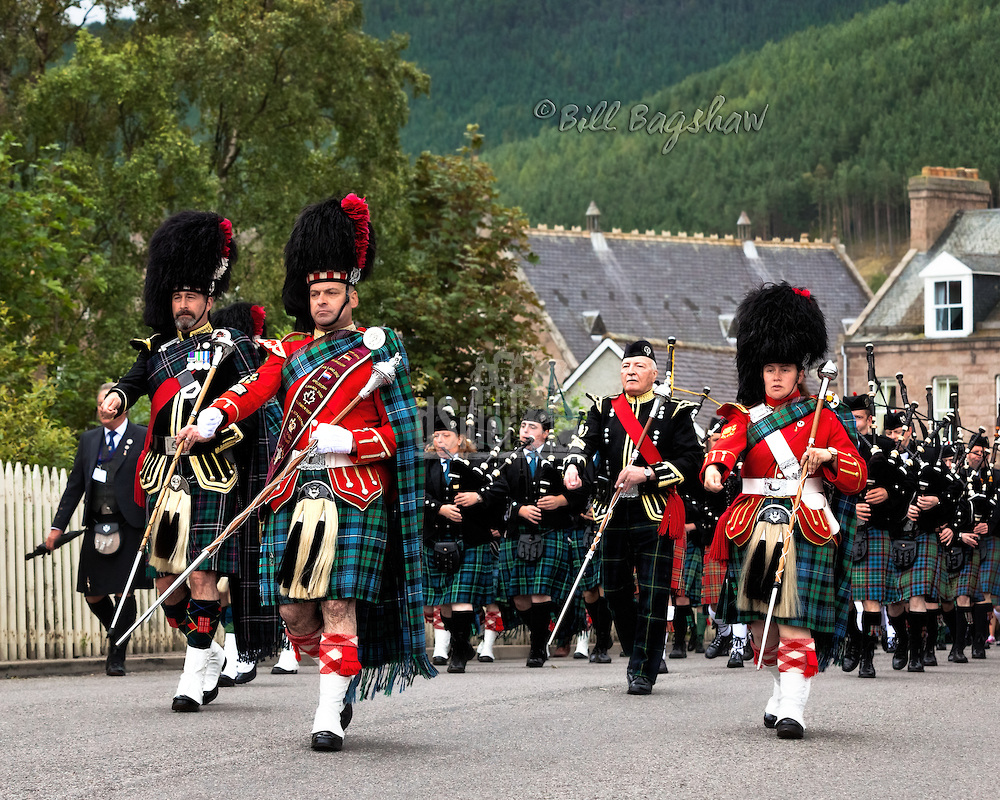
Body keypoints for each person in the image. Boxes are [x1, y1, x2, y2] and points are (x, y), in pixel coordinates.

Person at [188, 193, 433, 752]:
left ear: (351, 292)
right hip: (295, 491)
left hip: (355, 490)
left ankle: (327, 715)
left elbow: (404, 436)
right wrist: (216, 413)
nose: (320, 301)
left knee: (337, 602)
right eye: (314, 293)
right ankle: (336, 674)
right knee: (296, 610)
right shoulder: (292, 348)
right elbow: (255, 388)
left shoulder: (381, 350)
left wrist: (348, 439)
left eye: (330, 293)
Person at [100, 211, 269, 711]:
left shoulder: (233, 346)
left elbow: (257, 407)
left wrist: (214, 433)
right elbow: (132, 383)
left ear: (209, 300)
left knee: (200, 576)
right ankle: (212, 653)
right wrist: (115, 397)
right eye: (176, 297)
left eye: (191, 297)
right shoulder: (156, 350)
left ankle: (191, 678)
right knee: (163, 585)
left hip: (211, 474)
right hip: (162, 474)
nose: (182, 305)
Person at [702, 282, 866, 739]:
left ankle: (793, 707)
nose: (775, 376)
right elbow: (724, 453)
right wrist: (714, 470)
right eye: (769, 368)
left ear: (800, 371)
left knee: (795, 619)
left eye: (785, 369)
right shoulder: (742, 417)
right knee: (761, 627)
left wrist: (829, 458)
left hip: (806, 522)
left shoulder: (823, 415)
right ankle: (780, 688)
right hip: (753, 522)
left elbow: (857, 477)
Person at [563, 341, 703, 695]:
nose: (630, 372)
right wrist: (573, 467)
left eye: (639, 366)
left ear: (654, 374)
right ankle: (642, 649)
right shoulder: (604, 408)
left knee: (654, 594)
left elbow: (691, 460)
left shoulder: (675, 412)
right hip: (612, 510)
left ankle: (642, 669)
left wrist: (649, 474)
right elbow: (583, 444)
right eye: (626, 366)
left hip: (653, 511)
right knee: (614, 591)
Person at [468, 408, 585, 668]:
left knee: (540, 593)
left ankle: (536, 649)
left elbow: (582, 491)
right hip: (517, 533)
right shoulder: (508, 461)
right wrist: (518, 509)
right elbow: (495, 496)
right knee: (519, 597)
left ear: (545, 433)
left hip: (549, 533)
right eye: (523, 426)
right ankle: (541, 636)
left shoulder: (562, 457)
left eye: (532, 427)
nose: (525, 432)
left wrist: (560, 500)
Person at [48, 383, 149, 676]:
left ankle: (116, 654)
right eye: (99, 404)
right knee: (92, 593)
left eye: (109, 404)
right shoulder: (89, 440)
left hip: (130, 523)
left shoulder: (142, 435)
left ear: (123, 406)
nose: (103, 409)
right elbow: (74, 487)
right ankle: (117, 630)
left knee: (124, 591)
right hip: (96, 525)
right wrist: (57, 527)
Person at [422, 405, 498, 674]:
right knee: (445, 603)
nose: (439, 441)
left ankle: (458, 653)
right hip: (436, 540)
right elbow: (416, 495)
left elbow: (499, 491)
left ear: (459, 438)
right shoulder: (425, 465)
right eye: (436, 436)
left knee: (461, 598)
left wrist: (477, 498)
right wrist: (438, 508)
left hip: (470, 539)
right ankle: (462, 644)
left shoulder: (477, 463)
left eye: (445, 435)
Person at [840, 393, 910, 679]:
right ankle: (856, 645)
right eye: (850, 418)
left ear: (870, 419)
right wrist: (850, 507)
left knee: (879, 600)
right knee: (843, 597)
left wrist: (889, 493)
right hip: (847, 529)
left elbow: (906, 485)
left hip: (877, 531)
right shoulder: (839, 448)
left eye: (858, 418)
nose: (854, 423)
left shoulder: (886, 448)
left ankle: (883, 648)